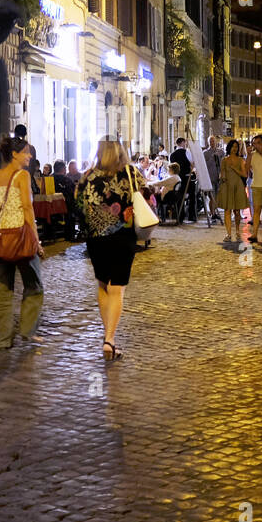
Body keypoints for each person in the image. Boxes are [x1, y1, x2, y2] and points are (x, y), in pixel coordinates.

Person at [76, 138, 145, 362]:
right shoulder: (131, 173)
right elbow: (147, 198)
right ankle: (109, 338)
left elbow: (77, 205)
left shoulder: (87, 176)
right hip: (123, 237)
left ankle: (108, 337)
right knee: (117, 288)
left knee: (103, 284)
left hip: (96, 240)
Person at [0, 135, 44, 350]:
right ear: (15, 154)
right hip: (20, 237)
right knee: (34, 285)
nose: (29, 155)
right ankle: (27, 330)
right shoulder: (22, 176)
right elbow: (28, 209)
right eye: (26, 151)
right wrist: (36, 240)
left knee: (1, 290)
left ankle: (3, 340)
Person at [169, 137, 196, 223]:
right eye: (185, 142)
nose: (186, 144)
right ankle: (191, 216)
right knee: (192, 196)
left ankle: (180, 217)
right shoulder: (187, 152)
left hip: (177, 179)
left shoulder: (172, 155)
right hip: (187, 178)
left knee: (179, 197)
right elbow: (192, 163)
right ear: (182, 143)